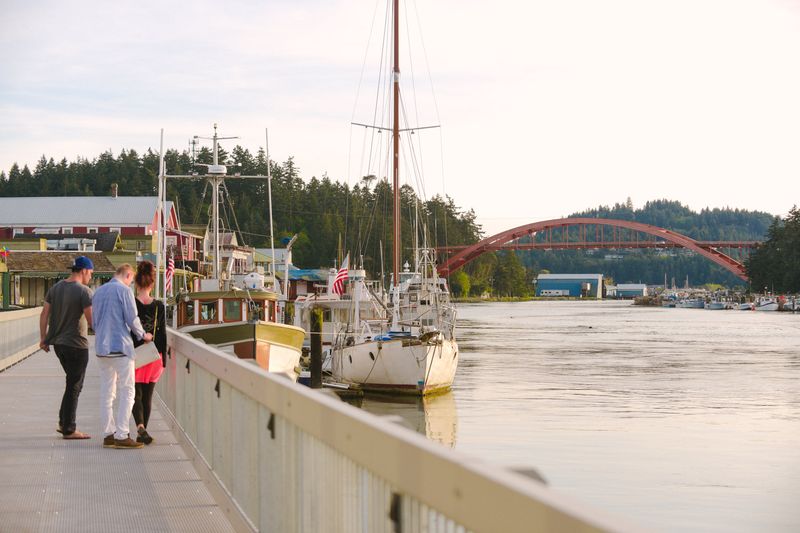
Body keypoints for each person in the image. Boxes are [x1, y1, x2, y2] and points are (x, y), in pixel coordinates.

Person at [92, 264, 153, 449]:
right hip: (121, 347)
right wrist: (143, 335)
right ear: (128, 275)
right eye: (131, 280)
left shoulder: (98, 292)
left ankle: (108, 434)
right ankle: (122, 434)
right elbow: (132, 318)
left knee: (107, 393)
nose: (131, 283)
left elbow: (94, 322)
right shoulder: (124, 291)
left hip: (102, 348)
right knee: (128, 391)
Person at [39, 256, 94, 440]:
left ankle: (63, 423)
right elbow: (91, 320)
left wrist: (43, 338)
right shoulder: (84, 291)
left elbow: (44, 314)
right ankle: (69, 429)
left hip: (59, 345)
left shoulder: (55, 288)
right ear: (84, 271)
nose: (91, 277)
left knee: (71, 384)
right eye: (91, 273)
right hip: (77, 345)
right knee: (75, 386)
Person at [131, 261, 166, 445]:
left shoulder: (131, 303)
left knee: (135, 395)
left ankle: (140, 426)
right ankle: (143, 431)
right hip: (153, 355)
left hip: (134, 353)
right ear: (152, 283)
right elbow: (162, 334)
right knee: (148, 396)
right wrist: (164, 359)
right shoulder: (159, 306)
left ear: (136, 283)